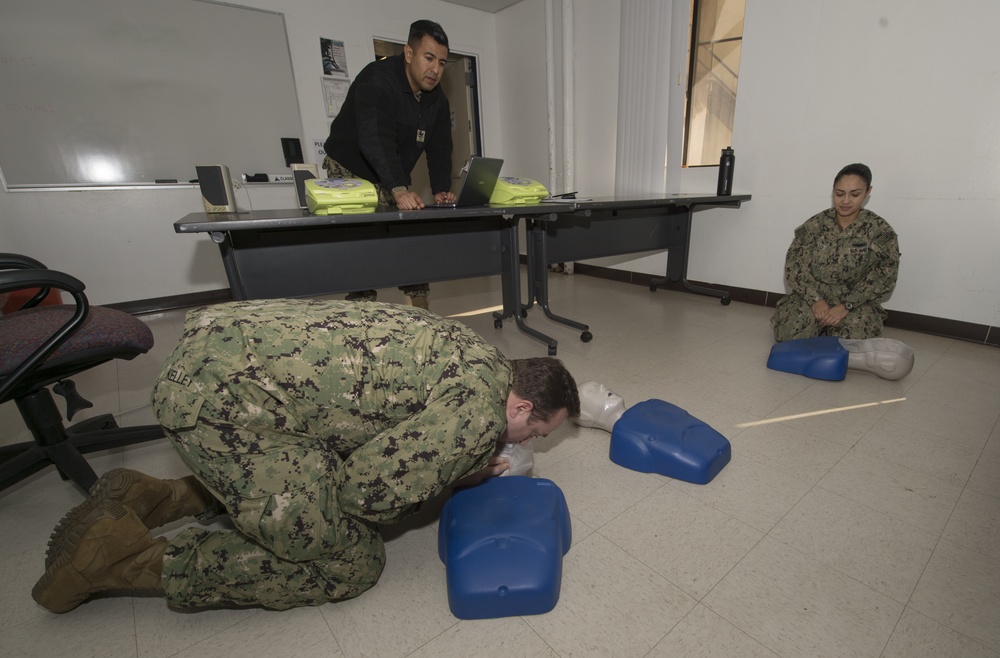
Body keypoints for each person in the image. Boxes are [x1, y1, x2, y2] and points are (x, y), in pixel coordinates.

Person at [32, 300, 579, 613]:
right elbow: (363, 494)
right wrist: (446, 474)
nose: (527, 444)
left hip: (224, 353)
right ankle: (117, 560)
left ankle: (157, 497)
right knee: (349, 559)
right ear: (523, 403)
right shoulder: (477, 417)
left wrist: (435, 461)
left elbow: (370, 421)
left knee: (321, 464)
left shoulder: (481, 353)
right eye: (536, 432)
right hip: (224, 401)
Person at [323, 19, 457, 309]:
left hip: (390, 169)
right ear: (409, 53)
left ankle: (421, 315)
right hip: (349, 167)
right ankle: (362, 316)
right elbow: (375, 137)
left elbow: (440, 146)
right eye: (429, 58)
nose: (435, 70)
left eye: (442, 63)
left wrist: (441, 189)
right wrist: (398, 188)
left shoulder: (437, 100)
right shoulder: (377, 79)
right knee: (359, 246)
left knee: (408, 239)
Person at [771, 163, 900, 342]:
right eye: (839, 193)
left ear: (867, 192)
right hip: (813, 297)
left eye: (855, 194)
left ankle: (830, 329)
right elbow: (795, 266)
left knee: (851, 344)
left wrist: (847, 305)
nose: (845, 201)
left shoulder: (880, 231)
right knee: (790, 335)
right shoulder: (814, 225)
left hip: (855, 302)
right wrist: (815, 300)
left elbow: (886, 275)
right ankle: (819, 327)